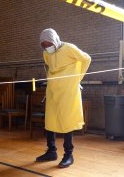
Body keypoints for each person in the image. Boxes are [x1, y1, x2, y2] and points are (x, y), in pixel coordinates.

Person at [36, 28, 91, 168]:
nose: (47, 48)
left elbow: (86, 59)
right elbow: (50, 68)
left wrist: (77, 78)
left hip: (68, 91)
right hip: (53, 91)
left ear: (55, 40)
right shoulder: (45, 54)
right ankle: (51, 151)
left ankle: (68, 155)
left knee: (67, 121)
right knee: (50, 120)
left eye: (49, 44)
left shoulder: (69, 48)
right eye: (44, 45)